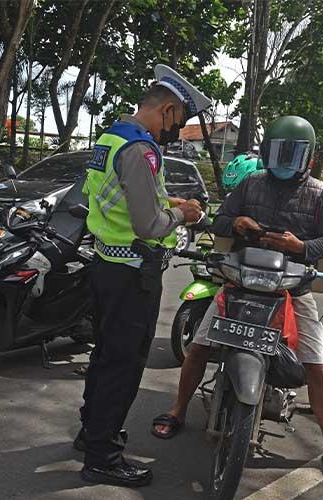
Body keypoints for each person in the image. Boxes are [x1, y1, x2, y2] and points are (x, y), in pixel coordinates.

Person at [151, 116, 323, 488]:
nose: (286, 159)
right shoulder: (250, 183)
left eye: (294, 153)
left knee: (317, 367)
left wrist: (302, 247)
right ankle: (177, 409)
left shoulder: (321, 193)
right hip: (240, 282)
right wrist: (238, 223)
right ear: (266, 152)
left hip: (292, 289)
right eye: (280, 151)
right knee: (198, 347)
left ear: (308, 157)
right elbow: (219, 222)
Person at [76, 64, 207, 487]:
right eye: (180, 122)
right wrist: (182, 213)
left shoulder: (111, 139)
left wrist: (166, 199)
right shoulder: (141, 150)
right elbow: (149, 225)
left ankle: (91, 433)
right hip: (133, 273)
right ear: (167, 111)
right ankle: (103, 457)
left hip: (106, 265)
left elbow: (116, 196)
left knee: (104, 357)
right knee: (124, 364)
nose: (178, 132)